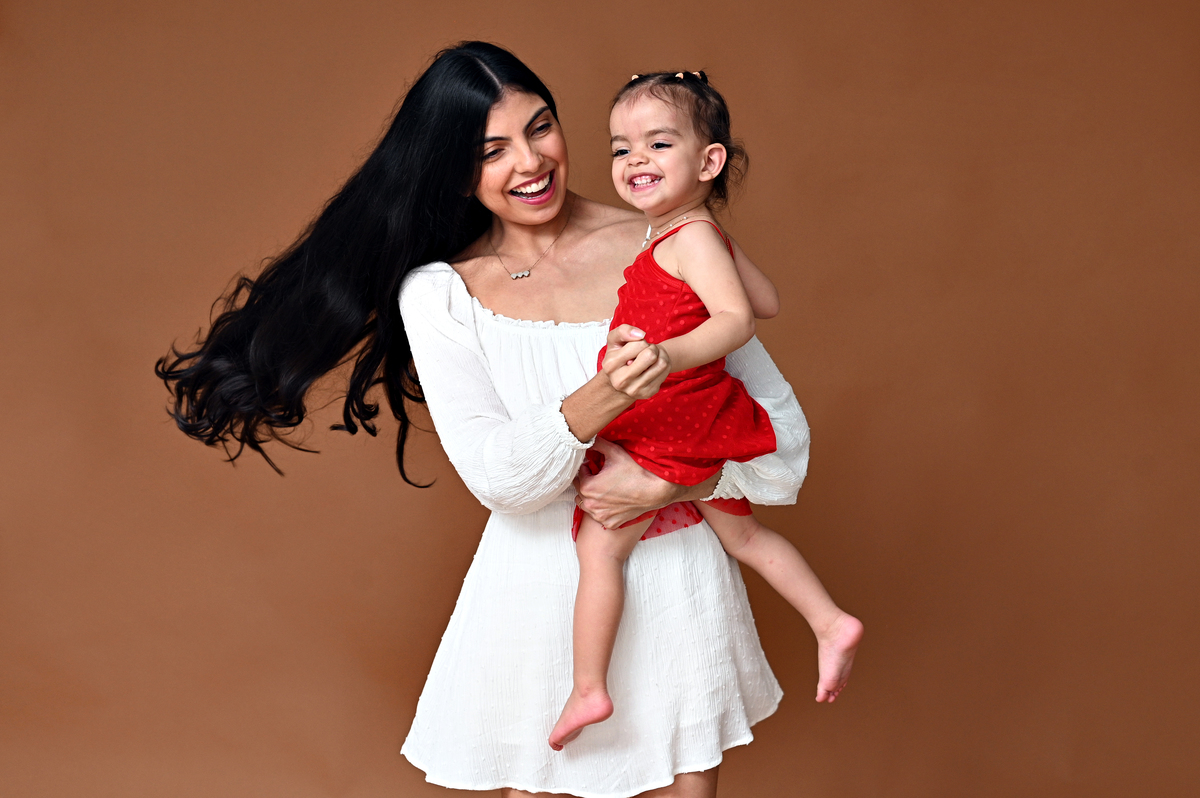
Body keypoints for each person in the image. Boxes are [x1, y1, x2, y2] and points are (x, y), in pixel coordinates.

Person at [156, 42, 811, 798]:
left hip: (675, 586)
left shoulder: (663, 238)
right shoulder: (441, 295)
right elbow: (504, 482)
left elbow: (780, 440)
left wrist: (670, 486)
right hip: (532, 603)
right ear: (454, 172)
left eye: (541, 127)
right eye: (490, 151)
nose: (530, 162)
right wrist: (607, 392)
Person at [549, 72, 864, 752]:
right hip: (696, 419)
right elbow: (767, 300)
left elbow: (739, 320)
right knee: (743, 538)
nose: (635, 159)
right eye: (621, 147)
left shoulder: (687, 239)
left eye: (658, 144)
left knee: (600, 545)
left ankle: (588, 687)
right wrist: (718, 252)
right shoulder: (694, 233)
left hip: (674, 421)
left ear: (709, 161)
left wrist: (665, 353)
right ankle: (829, 621)